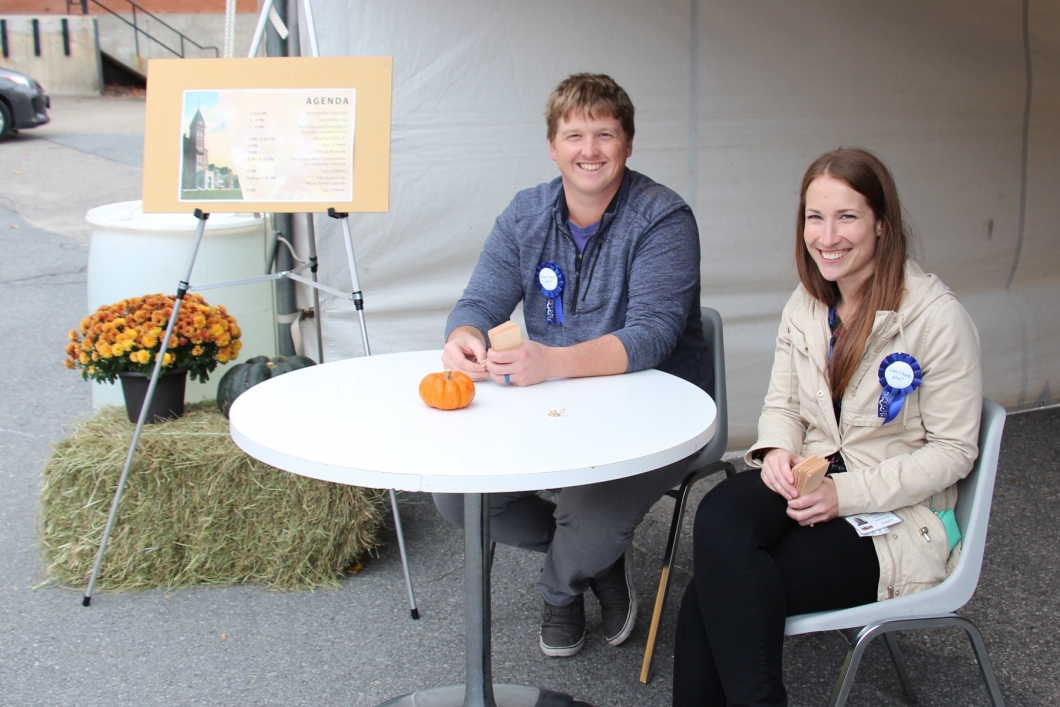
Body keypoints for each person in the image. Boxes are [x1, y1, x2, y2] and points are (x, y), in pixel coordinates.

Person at [672, 147, 983, 706]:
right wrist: (777, 453)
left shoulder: (937, 317)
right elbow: (783, 405)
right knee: (719, 513)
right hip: (815, 472)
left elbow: (955, 451)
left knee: (708, 598)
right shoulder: (808, 303)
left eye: (847, 216)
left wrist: (846, 494)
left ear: (881, 224)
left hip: (898, 515)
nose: (827, 236)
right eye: (816, 217)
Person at [434, 73, 713, 658]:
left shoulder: (664, 217)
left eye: (605, 134)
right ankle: (599, 563)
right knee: (456, 497)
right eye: (575, 135)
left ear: (628, 144)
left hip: (661, 411)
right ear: (553, 145)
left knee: (587, 515)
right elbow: (481, 302)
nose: (590, 150)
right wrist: (463, 335)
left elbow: (652, 336)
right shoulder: (526, 213)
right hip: (560, 406)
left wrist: (550, 362)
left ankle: (562, 590)